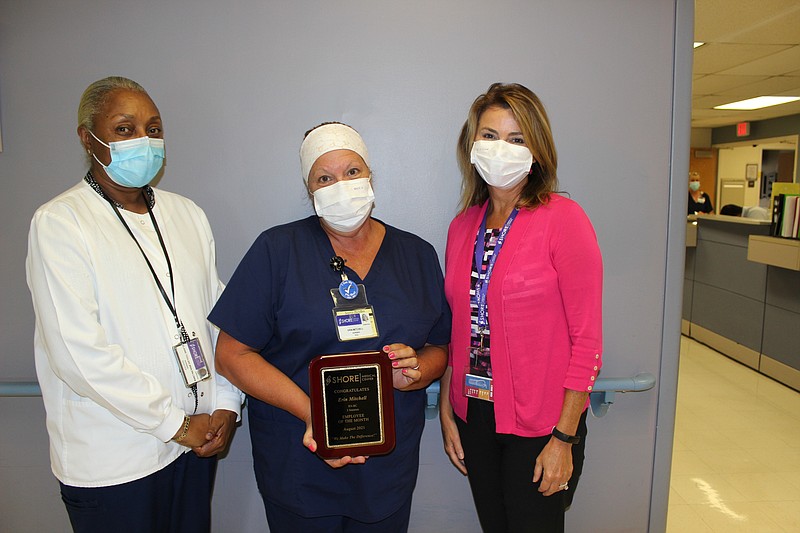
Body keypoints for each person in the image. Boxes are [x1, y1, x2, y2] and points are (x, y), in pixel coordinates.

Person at [208, 122, 451, 532]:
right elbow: (231, 356)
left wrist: (417, 372)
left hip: (384, 469)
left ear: (371, 176)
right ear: (310, 190)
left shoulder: (417, 255)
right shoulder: (277, 250)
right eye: (325, 178)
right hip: (300, 460)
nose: (341, 186)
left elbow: (439, 348)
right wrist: (312, 416)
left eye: (352, 172)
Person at [26, 76, 243, 533]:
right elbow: (77, 354)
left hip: (195, 444)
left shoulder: (187, 215)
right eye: (124, 129)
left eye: (153, 127)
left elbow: (219, 320)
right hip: (114, 461)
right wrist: (175, 423)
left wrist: (225, 403)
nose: (143, 140)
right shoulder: (61, 223)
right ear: (89, 138)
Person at [439, 83, 603, 532]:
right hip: (476, 417)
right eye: (489, 136)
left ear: (536, 151)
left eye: (516, 139)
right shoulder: (462, 227)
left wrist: (565, 437)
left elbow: (586, 340)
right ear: (471, 146)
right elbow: (461, 326)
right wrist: (447, 410)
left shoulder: (563, 220)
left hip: (543, 427)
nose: (500, 149)